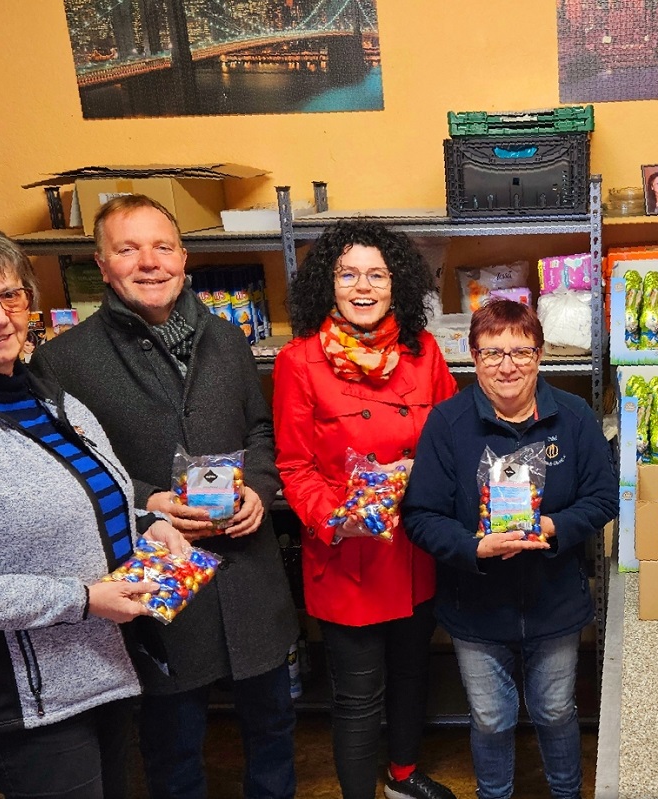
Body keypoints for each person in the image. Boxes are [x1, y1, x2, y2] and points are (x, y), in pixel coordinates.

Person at [31, 196, 299, 799]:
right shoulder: (63, 361)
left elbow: (260, 431)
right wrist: (149, 501)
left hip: (247, 569)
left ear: (184, 258)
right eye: (128, 249)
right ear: (102, 265)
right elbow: (62, 473)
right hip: (157, 577)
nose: (148, 263)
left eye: (162, 247)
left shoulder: (228, 340)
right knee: (173, 744)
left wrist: (258, 487)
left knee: (273, 728)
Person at [0, 222, 188, 799]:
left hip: (102, 670)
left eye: (11, 295)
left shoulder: (52, 398)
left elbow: (101, 501)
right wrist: (82, 599)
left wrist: (151, 528)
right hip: (28, 702)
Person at [273, 221, 458, 799]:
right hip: (347, 556)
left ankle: (402, 779)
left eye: (376, 274)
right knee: (357, 696)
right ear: (327, 286)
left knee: (411, 675)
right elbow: (294, 467)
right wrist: (339, 516)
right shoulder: (298, 362)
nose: (362, 286)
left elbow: (451, 439)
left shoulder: (422, 351)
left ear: (395, 282)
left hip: (414, 552)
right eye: (347, 274)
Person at [404, 300, 617, 799]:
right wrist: (473, 547)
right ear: (473, 358)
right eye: (493, 352)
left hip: (554, 602)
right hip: (474, 606)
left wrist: (553, 526)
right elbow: (420, 516)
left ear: (540, 356)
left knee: (556, 710)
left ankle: (567, 793)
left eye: (521, 351)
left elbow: (603, 497)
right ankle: (493, 794)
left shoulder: (574, 416)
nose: (507, 365)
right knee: (491, 716)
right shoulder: (449, 424)